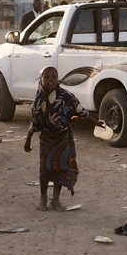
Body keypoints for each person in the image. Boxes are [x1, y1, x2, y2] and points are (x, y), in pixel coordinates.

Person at [24, 66, 103, 211]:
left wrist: (96, 122)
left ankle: (56, 199)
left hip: (63, 138)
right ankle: (43, 198)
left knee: (60, 168)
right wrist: (28, 140)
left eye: (54, 77)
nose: (50, 80)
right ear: (41, 79)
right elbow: (34, 122)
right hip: (47, 139)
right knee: (45, 169)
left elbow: (80, 110)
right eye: (46, 77)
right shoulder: (38, 100)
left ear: (58, 78)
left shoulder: (66, 96)